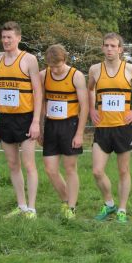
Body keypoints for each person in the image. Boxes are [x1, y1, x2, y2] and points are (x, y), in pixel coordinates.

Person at [88, 33, 132, 223]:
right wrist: (92, 109)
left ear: (120, 49)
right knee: (97, 171)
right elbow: (89, 89)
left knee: (123, 171)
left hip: (123, 127)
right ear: (102, 48)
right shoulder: (95, 70)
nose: (109, 49)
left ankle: (122, 209)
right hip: (103, 127)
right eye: (106, 46)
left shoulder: (130, 69)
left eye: (113, 46)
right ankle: (109, 204)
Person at [0, 21, 42, 219]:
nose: (6, 41)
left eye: (9, 37)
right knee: (13, 164)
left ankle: (32, 207)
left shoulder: (29, 60)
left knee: (29, 164)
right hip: (6, 119)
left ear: (18, 38)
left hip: (26, 117)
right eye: (3, 37)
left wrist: (36, 121)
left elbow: (38, 91)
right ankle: (20, 205)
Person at [40, 44, 88, 220]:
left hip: (70, 125)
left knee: (70, 168)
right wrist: (39, 126)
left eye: (58, 66)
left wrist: (80, 133)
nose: (55, 70)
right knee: (50, 169)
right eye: (51, 66)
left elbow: (85, 107)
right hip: (51, 125)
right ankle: (66, 200)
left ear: (65, 61)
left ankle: (72, 208)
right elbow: (41, 102)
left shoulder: (76, 76)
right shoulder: (44, 75)